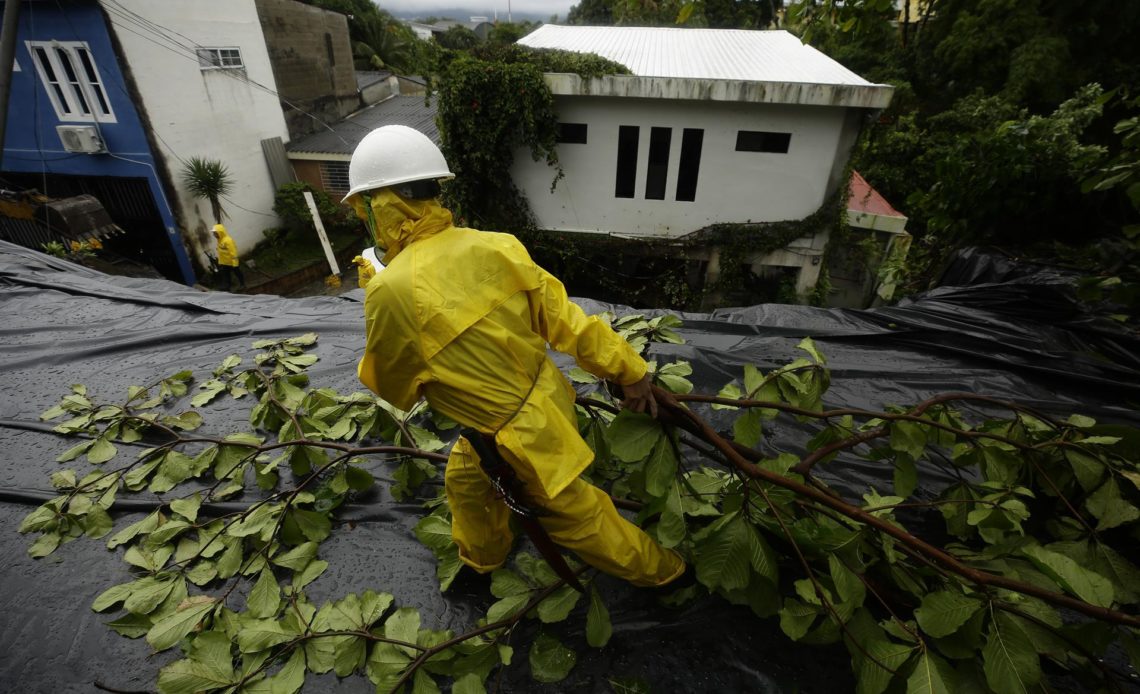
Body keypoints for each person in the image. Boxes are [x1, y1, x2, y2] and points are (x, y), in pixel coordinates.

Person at [346, 125, 685, 587]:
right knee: (467, 481)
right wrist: (630, 372)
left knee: (577, 517)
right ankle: (482, 560)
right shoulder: (495, 245)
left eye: (364, 207)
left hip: (517, 438)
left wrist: (379, 296)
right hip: (543, 399)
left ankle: (667, 574)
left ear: (380, 206)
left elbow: (395, 386)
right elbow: (567, 320)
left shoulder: (391, 290)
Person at [212, 223, 245, 291]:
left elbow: (233, 252)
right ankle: (227, 287)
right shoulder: (220, 240)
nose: (214, 235)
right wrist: (220, 262)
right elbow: (221, 252)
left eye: (215, 233)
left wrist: (235, 263)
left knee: (237, 273)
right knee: (226, 275)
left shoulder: (228, 240)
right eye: (214, 233)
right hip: (224, 262)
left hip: (231, 262)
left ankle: (243, 284)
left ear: (220, 232)